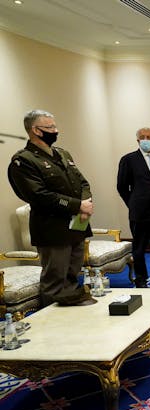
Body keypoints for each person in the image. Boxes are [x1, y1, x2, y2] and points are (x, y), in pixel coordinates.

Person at [7, 109, 95, 307]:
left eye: (54, 126)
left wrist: (86, 203)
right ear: (36, 130)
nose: (55, 131)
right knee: (55, 278)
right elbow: (39, 196)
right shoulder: (24, 160)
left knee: (73, 272)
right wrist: (77, 205)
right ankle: (50, 325)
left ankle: (72, 312)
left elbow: (82, 182)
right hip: (52, 228)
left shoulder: (62, 154)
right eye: (50, 127)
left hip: (78, 222)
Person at [117, 127, 150, 288]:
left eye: (149, 137)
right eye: (142, 137)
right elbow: (121, 186)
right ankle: (140, 279)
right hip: (139, 212)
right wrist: (133, 203)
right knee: (139, 248)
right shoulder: (128, 159)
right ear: (138, 140)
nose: (146, 140)